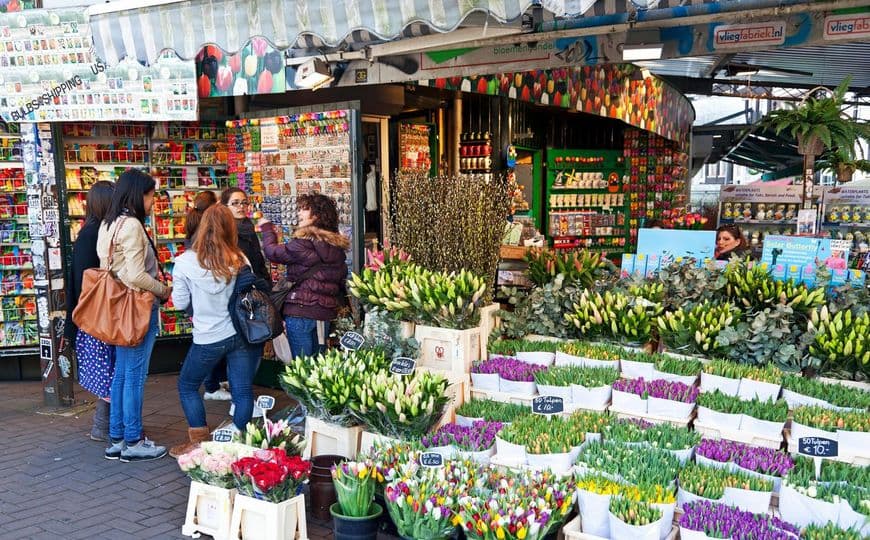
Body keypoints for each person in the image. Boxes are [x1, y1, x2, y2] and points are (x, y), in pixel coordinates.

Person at [170, 205, 257, 458]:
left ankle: (199, 443)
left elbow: (179, 302)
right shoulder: (240, 259)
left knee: (188, 385)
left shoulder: (185, 262)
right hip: (240, 334)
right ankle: (239, 443)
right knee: (242, 390)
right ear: (231, 229)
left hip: (208, 336)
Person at [97, 169, 171, 462]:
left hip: (116, 308)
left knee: (121, 374)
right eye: (151, 196)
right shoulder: (132, 226)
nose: (153, 203)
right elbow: (136, 274)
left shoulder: (109, 224)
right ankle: (133, 440)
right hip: (136, 308)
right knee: (134, 376)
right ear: (139, 195)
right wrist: (162, 290)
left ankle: (117, 437)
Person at [259, 193, 349, 358]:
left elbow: (272, 252)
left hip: (300, 311)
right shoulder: (336, 248)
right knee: (318, 365)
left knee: (301, 366)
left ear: (316, 215)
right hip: (324, 313)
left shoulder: (302, 244)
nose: (299, 213)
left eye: (304, 209)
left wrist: (267, 229)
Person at [64, 180, 116, 442]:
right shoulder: (94, 234)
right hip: (98, 314)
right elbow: (88, 280)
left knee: (107, 368)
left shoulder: (92, 231)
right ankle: (105, 426)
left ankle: (104, 425)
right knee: (107, 368)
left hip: (95, 314)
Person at [183, 191, 231, 401]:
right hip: (219, 316)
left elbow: (182, 299)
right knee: (187, 384)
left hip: (202, 312)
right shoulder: (211, 243)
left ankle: (214, 384)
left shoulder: (188, 252)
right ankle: (213, 385)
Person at [221, 187, 270, 283]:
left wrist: (266, 283)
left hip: (257, 284)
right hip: (236, 286)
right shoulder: (223, 231)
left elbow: (258, 259)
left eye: (244, 202)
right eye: (235, 203)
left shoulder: (249, 227)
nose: (241, 206)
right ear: (225, 207)